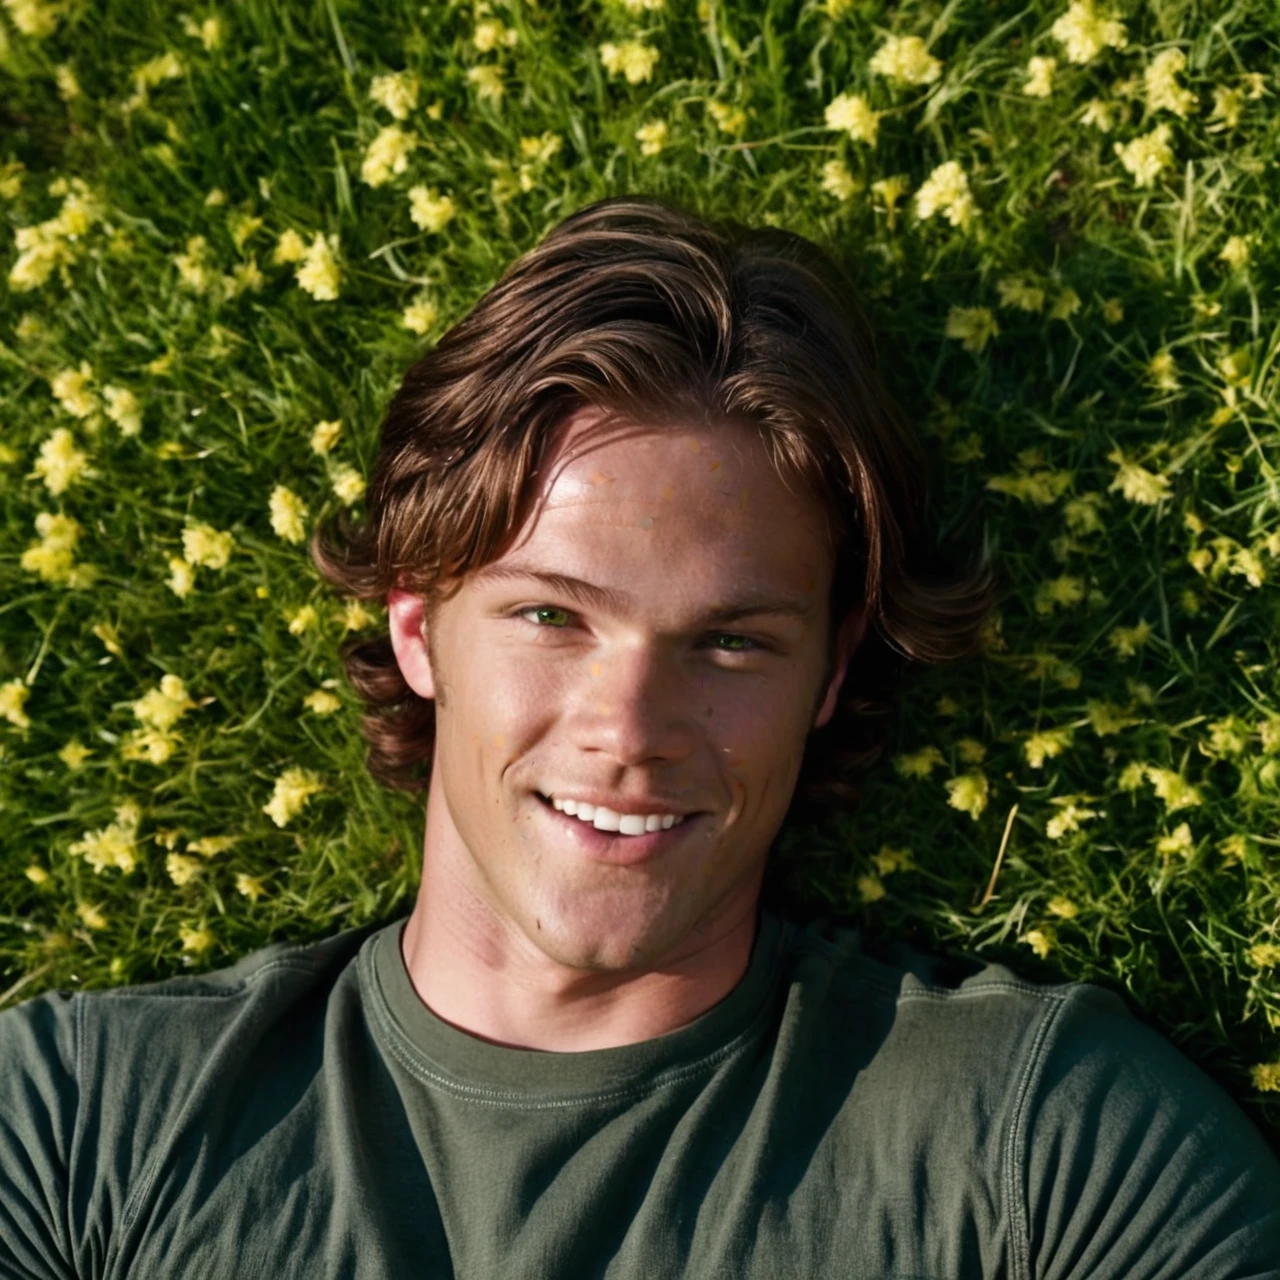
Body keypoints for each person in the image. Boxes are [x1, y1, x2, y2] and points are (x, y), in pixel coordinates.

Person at [1, 196, 1277, 1279]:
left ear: (827, 676)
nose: (628, 730)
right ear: (416, 626)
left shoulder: (1050, 1157)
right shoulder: (73, 1126)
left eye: (729, 642)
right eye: (551, 613)